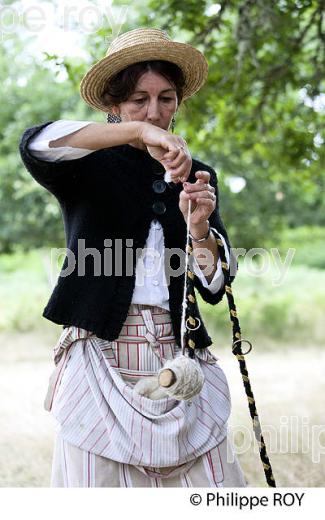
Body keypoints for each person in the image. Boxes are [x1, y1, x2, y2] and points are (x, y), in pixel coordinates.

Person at [19, 27, 246, 487]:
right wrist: (137, 132)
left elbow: (215, 285)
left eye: (165, 99)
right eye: (139, 100)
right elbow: (36, 143)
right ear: (114, 103)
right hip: (100, 350)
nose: (156, 112)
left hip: (177, 352)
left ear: (178, 101)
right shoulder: (84, 161)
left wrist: (199, 227)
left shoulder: (198, 174)